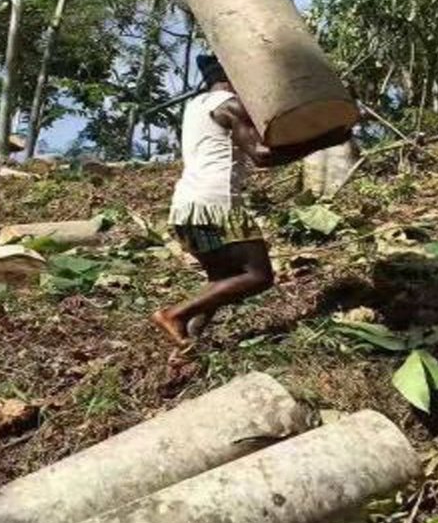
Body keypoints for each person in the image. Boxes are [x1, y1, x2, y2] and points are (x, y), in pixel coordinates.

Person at [151, 53, 352, 350]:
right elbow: (262, 155)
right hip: (217, 206)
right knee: (258, 276)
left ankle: (190, 343)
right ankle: (173, 315)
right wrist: (325, 140)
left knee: (222, 281)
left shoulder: (196, 107)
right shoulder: (231, 105)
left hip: (185, 208)